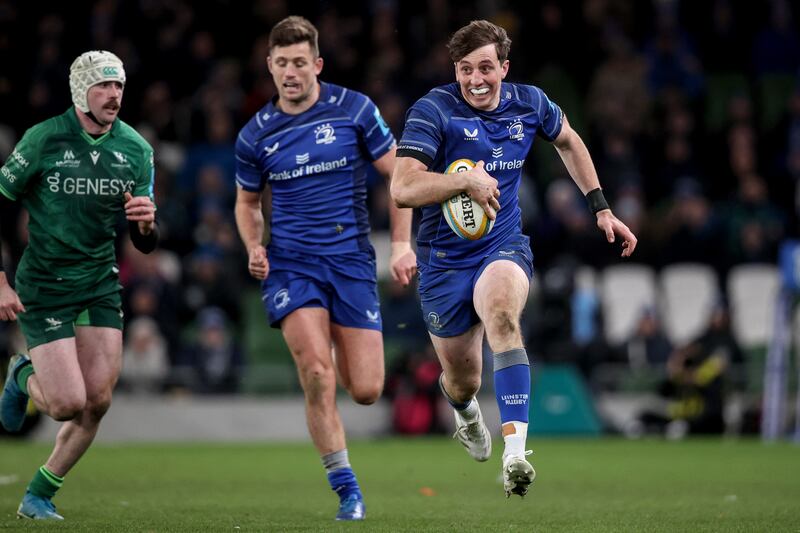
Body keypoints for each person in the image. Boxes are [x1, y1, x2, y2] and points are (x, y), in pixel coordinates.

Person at [391, 20, 637, 498]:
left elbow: (568, 140)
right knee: (463, 381)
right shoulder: (433, 110)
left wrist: (601, 207)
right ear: (455, 70)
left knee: (503, 315)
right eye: (466, 70)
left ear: (504, 67)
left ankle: (515, 454)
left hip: (500, 246)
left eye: (486, 67)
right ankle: (466, 416)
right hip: (443, 262)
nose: (476, 79)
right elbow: (403, 188)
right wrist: (465, 181)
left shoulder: (530, 103)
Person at [234, 16, 415, 521]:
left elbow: (399, 177)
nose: (290, 72)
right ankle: (347, 489)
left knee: (366, 390)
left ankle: (340, 348)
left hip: (352, 262)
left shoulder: (354, 109)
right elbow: (246, 203)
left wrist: (401, 245)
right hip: (291, 266)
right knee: (316, 370)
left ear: (317, 64)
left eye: (299, 62)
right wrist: (254, 243)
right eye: (281, 63)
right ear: (270, 66)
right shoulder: (255, 135)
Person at [0, 50, 158, 520]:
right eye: (103, 86)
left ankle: (39, 495)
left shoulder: (136, 150)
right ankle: (20, 375)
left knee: (98, 401)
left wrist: (146, 226)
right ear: (79, 91)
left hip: (98, 284)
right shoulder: (43, 139)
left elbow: (145, 243)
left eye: (119, 86)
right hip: (45, 284)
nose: (114, 95)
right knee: (68, 404)